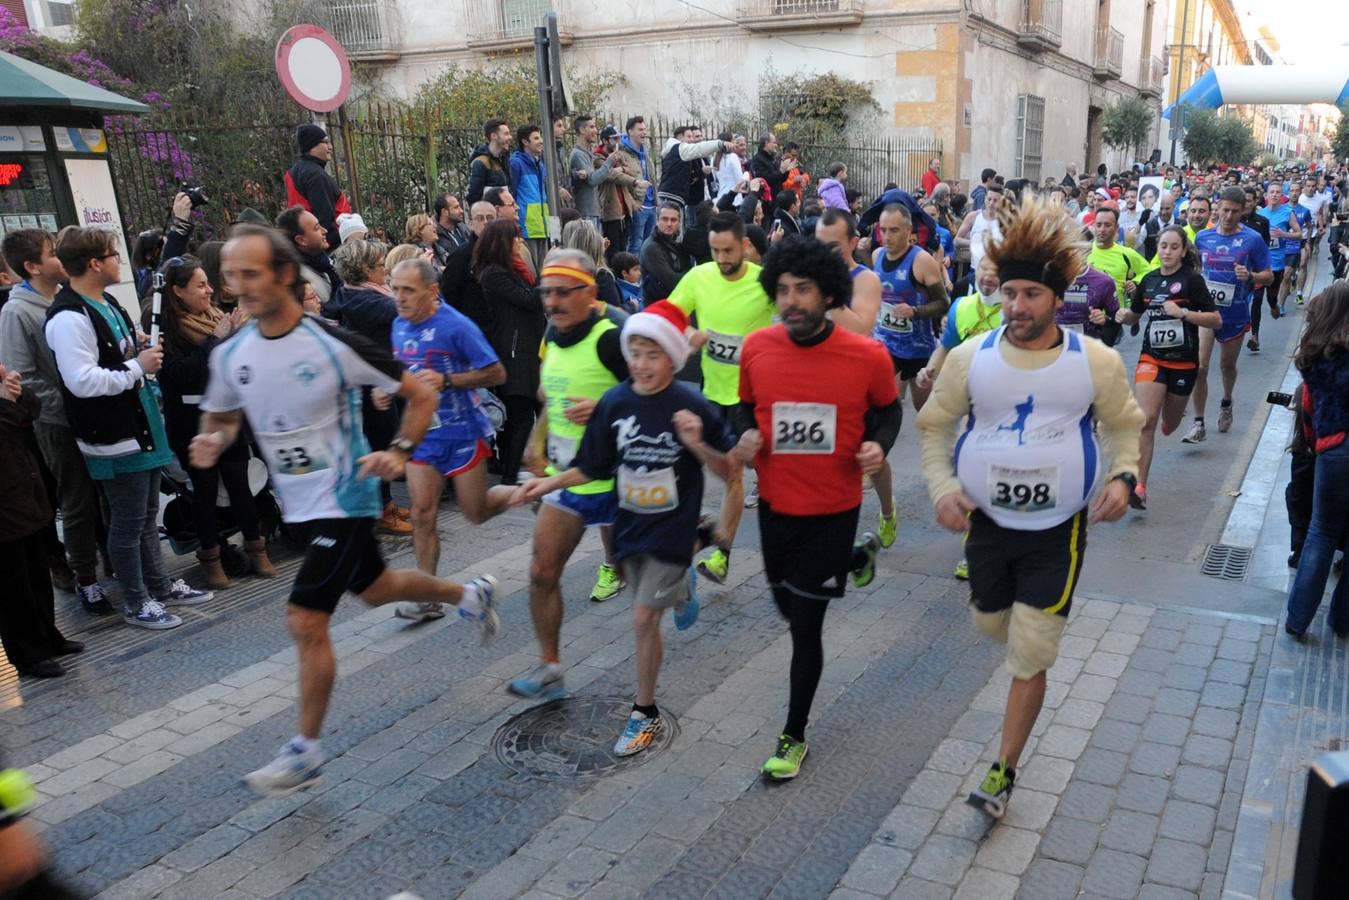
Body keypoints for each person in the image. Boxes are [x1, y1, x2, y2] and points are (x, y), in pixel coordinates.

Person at [192, 224, 499, 795]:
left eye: (250, 274)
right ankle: (470, 594)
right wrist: (214, 437)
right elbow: (223, 413)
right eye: (230, 277)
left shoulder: (334, 343)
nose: (238, 287)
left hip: (346, 495)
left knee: (306, 618)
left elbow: (423, 393)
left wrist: (400, 450)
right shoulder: (231, 352)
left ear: (285, 275)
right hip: (301, 504)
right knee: (377, 589)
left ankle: (305, 750)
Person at [917, 193, 1143, 818]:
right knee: (992, 621)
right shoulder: (971, 359)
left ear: (1056, 297)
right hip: (987, 525)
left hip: (1057, 529)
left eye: (1031, 295)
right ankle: (1005, 630)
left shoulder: (1092, 361)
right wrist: (942, 489)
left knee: (1032, 648)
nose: (1017, 306)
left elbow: (1126, 426)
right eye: (1009, 293)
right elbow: (934, 428)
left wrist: (1123, 479)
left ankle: (1002, 771)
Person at [513, 300, 734, 752]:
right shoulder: (615, 402)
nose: (642, 364)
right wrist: (546, 484)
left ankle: (644, 713)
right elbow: (593, 466)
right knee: (645, 607)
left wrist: (696, 445)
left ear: (673, 357)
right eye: (635, 353)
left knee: (641, 619)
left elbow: (730, 469)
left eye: (653, 355)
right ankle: (683, 580)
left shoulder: (691, 404)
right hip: (631, 526)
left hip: (672, 528)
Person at [732, 235, 900, 779]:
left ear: (827, 293)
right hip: (776, 504)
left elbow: (889, 413)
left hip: (834, 507)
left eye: (803, 289)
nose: (791, 300)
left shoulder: (867, 355)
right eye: (782, 290)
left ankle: (793, 734)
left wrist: (879, 444)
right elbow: (744, 409)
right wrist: (743, 437)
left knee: (805, 623)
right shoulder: (757, 347)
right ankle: (855, 560)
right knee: (786, 605)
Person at [47, 227, 211, 631]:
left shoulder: (107, 303)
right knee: (128, 522)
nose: (119, 261)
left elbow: (122, 352)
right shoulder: (69, 317)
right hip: (114, 435)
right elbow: (81, 380)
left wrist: (138, 350)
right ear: (94, 263)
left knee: (147, 514)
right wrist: (138, 366)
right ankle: (137, 601)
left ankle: (158, 584)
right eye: (112, 255)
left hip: (141, 425)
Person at [507, 249, 630, 700]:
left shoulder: (613, 333)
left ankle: (676, 575)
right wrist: (535, 444)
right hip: (567, 479)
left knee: (629, 571)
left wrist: (605, 405)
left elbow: (655, 389)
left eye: (562, 292)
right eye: (546, 293)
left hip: (618, 477)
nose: (552, 302)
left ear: (590, 292)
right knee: (542, 571)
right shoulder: (553, 333)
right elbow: (550, 395)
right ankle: (551, 666)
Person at [383, 258, 512, 622]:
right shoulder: (398, 326)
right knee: (423, 514)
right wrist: (389, 388)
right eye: (395, 289)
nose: (400, 298)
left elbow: (496, 372)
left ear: (432, 291)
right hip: (423, 434)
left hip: (463, 432)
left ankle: (522, 492)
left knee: (476, 512)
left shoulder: (457, 326)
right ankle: (428, 598)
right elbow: (405, 373)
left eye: (409, 290)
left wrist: (448, 380)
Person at [1, 230, 111, 613]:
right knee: (76, 498)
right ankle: (83, 575)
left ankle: (112, 558)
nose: (60, 260)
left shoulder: (65, 299)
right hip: (56, 421)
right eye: (51, 254)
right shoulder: (16, 311)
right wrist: (65, 404)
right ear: (32, 266)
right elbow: (22, 376)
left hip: (88, 413)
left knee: (104, 491)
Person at [149, 254, 276, 588]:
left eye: (207, 283)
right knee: (203, 494)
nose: (209, 291)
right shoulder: (165, 328)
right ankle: (211, 557)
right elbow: (176, 376)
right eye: (200, 285)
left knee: (241, 486)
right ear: (177, 291)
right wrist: (216, 342)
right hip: (192, 424)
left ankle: (256, 548)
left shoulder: (215, 317)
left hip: (229, 417)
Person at [669, 211, 772, 580]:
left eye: (728, 251)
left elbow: (794, 323)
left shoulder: (764, 282)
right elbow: (668, 314)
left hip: (749, 399)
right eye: (715, 251)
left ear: (744, 245)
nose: (722, 259)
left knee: (735, 474)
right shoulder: (699, 276)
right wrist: (686, 334)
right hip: (710, 393)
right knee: (687, 466)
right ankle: (699, 534)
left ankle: (722, 555)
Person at [1114, 226, 1221, 509]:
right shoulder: (1148, 281)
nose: (1168, 252)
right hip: (1152, 358)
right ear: (1157, 248)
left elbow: (1215, 320)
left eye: (1174, 247)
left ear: (1183, 251)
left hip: (1184, 362)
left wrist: (1184, 313)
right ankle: (1139, 486)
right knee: (1145, 420)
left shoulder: (1192, 281)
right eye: (1163, 246)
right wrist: (1123, 316)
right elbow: (1134, 316)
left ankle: (1171, 420)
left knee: (1169, 423)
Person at [325, 239, 412, 535]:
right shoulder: (368, 303)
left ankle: (384, 504)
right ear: (363, 269)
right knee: (382, 441)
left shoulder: (347, 294)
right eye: (379, 265)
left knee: (384, 439)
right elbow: (407, 309)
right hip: (373, 386)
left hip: (377, 381)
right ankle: (383, 509)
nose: (385, 271)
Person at [0, 362, 82, 677]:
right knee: (13, 586)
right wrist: (7, 404)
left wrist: (18, 394)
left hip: (25, 496)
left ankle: (49, 637)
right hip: (5, 509)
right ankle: (28, 654)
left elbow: (32, 410)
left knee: (37, 576)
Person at [1283, 283, 1349, 640]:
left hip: (1332, 449)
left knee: (1320, 533)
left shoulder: (1317, 354)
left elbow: (1308, 408)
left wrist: (1314, 445)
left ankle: (1297, 619)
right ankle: (1342, 621)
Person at [1184, 186, 1273, 443]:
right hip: (1207, 312)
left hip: (1235, 313)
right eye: (1224, 210)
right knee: (1200, 367)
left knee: (1227, 365)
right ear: (1217, 208)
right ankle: (1198, 423)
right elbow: (1194, 271)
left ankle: (1226, 401)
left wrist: (1252, 276)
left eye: (1235, 211)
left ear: (1242, 211)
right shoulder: (1203, 238)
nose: (1229, 215)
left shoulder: (1253, 239)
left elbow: (1268, 276)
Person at [474, 218, 543, 486]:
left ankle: (541, 465)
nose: (520, 242)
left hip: (529, 350)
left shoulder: (516, 269)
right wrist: (547, 280)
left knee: (540, 408)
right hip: (515, 353)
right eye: (515, 238)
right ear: (503, 242)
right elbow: (529, 300)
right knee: (522, 415)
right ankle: (510, 475)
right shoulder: (494, 274)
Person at [871, 203, 949, 411]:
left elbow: (943, 303)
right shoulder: (876, 256)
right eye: (883, 230)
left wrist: (915, 311)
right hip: (886, 343)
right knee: (880, 405)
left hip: (918, 348)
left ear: (908, 231)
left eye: (894, 230)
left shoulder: (922, 260)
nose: (887, 236)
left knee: (924, 412)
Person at [1250, 183, 1300, 352]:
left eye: (1278, 192)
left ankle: (1274, 305)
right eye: (1271, 192)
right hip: (1259, 264)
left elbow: (1299, 234)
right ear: (1266, 194)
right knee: (1256, 300)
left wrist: (1284, 234)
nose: (1274, 195)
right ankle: (1254, 337)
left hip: (1277, 264)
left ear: (1281, 195)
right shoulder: (1259, 214)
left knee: (1271, 298)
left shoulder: (1287, 213)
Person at [284, 124, 350, 251]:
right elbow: (324, 216)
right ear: (312, 146)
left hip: (305, 236)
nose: (330, 147)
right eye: (325, 142)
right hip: (327, 243)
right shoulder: (316, 175)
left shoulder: (295, 171)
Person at [275, 205, 342, 306]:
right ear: (302, 240)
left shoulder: (323, 264)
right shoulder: (299, 280)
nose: (325, 231)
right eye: (317, 228)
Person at [613, 117, 657, 255]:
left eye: (645, 129)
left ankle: (644, 275)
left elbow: (651, 178)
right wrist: (633, 205)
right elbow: (620, 180)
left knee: (648, 246)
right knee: (635, 246)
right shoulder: (622, 153)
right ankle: (633, 276)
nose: (644, 133)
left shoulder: (645, 151)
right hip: (638, 206)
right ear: (630, 132)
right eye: (640, 130)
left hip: (651, 205)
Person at [639, 203, 694, 304]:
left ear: (679, 223)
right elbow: (672, 281)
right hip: (657, 307)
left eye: (673, 220)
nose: (669, 224)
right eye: (665, 219)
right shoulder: (651, 247)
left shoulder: (677, 242)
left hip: (676, 301)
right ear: (657, 221)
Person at [569, 115, 615, 228]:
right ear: (582, 130)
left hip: (593, 212)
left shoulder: (587, 154)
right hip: (586, 214)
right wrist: (609, 162)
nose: (596, 131)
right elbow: (592, 180)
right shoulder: (578, 155)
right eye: (592, 127)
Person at [467, 118, 512, 204]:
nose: (510, 137)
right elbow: (474, 196)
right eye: (506, 134)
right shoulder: (480, 162)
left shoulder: (504, 158)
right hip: (490, 215)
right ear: (494, 136)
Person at [432, 194, 469, 264]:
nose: (461, 211)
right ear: (444, 212)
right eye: (456, 207)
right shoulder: (435, 237)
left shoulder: (465, 229)